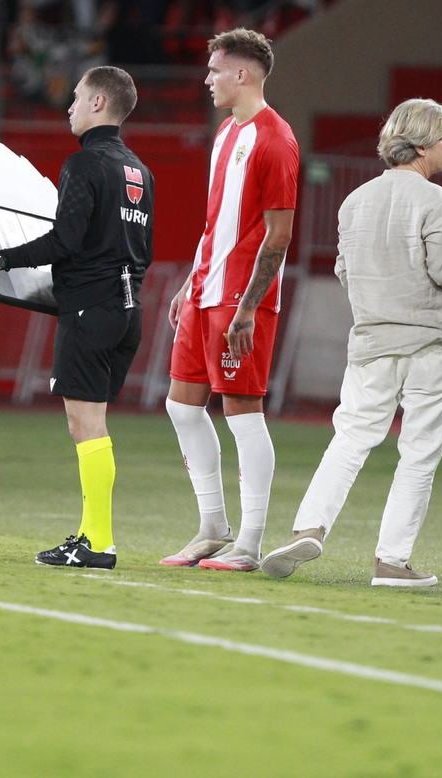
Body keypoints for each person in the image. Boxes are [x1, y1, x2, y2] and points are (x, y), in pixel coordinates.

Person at [262, 99, 442, 587]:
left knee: (350, 440)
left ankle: (310, 527)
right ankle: (392, 563)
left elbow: (344, 269)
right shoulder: (435, 199)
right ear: (422, 144)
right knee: (418, 453)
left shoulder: (353, 200)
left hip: (369, 342)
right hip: (428, 344)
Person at [0, 67, 154, 569]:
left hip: (92, 311)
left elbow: (64, 242)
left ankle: (99, 543)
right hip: (127, 310)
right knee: (93, 425)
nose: (68, 106)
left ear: (97, 105)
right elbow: (140, 251)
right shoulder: (138, 170)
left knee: (84, 425)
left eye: (76, 97)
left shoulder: (84, 165)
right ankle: (92, 536)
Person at [163, 28, 299, 572]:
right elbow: (215, 221)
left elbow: (280, 234)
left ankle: (250, 541)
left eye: (216, 69)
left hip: (240, 300)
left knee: (243, 412)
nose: (208, 79)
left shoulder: (275, 139)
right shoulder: (225, 133)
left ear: (242, 74)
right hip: (204, 292)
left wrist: (246, 306)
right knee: (181, 406)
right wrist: (189, 281)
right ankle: (213, 525)